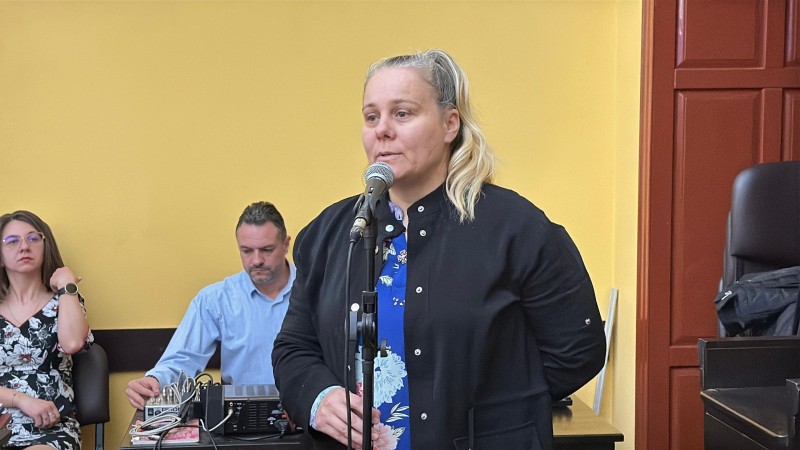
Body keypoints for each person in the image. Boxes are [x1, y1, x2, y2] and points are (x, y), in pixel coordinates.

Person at [272, 49, 606, 450]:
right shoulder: (331, 233)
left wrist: (494, 415)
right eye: (371, 117)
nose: (382, 130)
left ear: (450, 124)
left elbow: (578, 351)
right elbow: (294, 347)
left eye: (402, 113)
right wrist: (318, 398)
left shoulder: (516, 228)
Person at [125, 201, 295, 410]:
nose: (256, 260)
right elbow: (183, 358)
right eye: (247, 251)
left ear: (286, 244)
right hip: (241, 414)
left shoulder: (315, 292)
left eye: (267, 250)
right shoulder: (215, 299)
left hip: (312, 415)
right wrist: (155, 380)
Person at [0, 210, 93, 450]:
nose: (24, 247)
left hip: (51, 430)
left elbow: (73, 343)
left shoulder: (65, 301)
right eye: (12, 241)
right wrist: (21, 400)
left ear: (46, 246)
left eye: (33, 238)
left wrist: (66, 285)